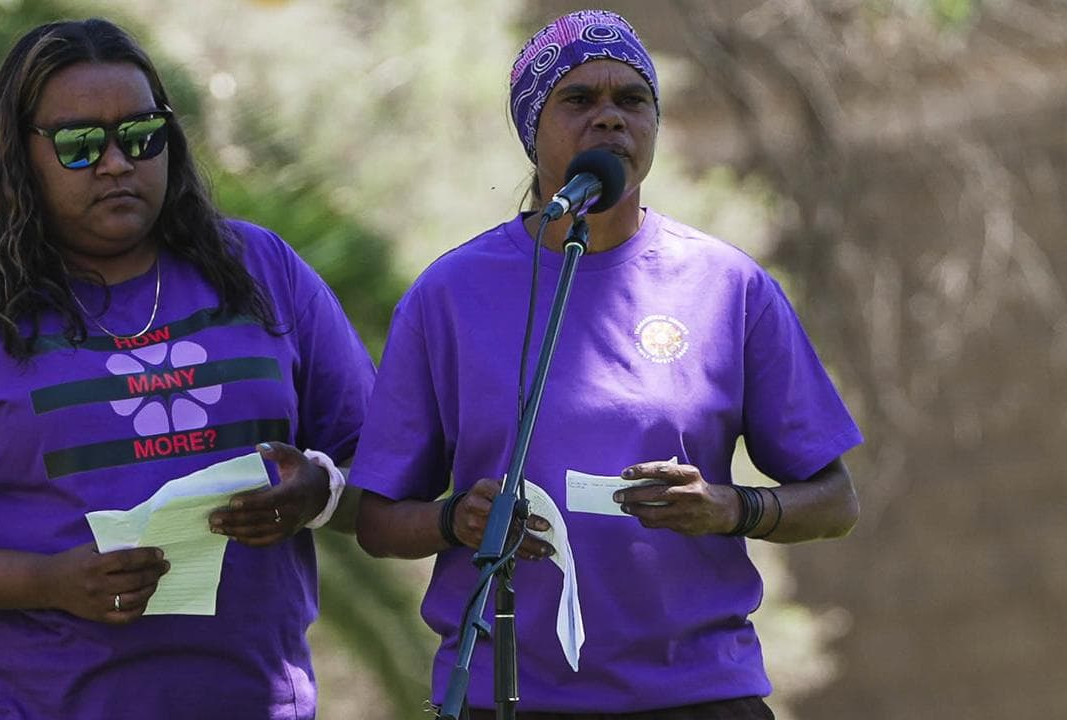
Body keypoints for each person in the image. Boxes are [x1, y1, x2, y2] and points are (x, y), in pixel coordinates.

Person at [0, 18, 373, 720]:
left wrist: (321, 492)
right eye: (81, 145)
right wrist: (47, 581)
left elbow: (386, 475)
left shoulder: (261, 272)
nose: (117, 162)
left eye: (141, 135)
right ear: (21, 156)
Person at [350, 9, 861, 720]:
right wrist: (456, 522)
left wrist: (729, 507)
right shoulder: (449, 296)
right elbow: (374, 521)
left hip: (697, 696)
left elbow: (835, 500)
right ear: (534, 131)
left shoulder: (727, 287)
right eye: (579, 100)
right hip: (510, 697)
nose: (610, 119)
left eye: (631, 99)